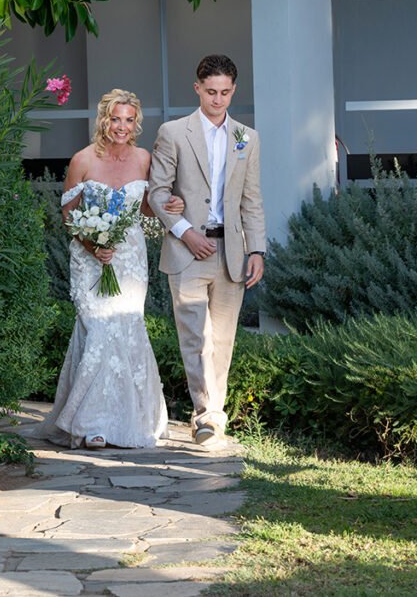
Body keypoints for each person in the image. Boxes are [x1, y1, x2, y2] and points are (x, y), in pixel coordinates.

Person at [39, 89, 184, 449]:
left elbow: (148, 207)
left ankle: (130, 419)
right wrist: (93, 245)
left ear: (137, 123)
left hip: (130, 256)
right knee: (99, 328)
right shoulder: (83, 160)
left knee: (126, 327)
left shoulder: (144, 159)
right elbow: (69, 215)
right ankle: (92, 424)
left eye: (129, 120)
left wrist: (171, 205)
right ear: (104, 120)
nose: (122, 126)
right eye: (115, 119)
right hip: (89, 259)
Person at [147, 54, 266, 447]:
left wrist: (257, 250)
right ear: (197, 88)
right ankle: (206, 416)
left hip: (232, 252)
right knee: (196, 336)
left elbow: (251, 199)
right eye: (211, 91)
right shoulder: (173, 132)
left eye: (225, 92)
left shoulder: (247, 137)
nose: (218, 99)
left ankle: (213, 412)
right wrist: (185, 232)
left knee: (223, 340)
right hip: (187, 252)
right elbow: (157, 193)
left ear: (234, 90)